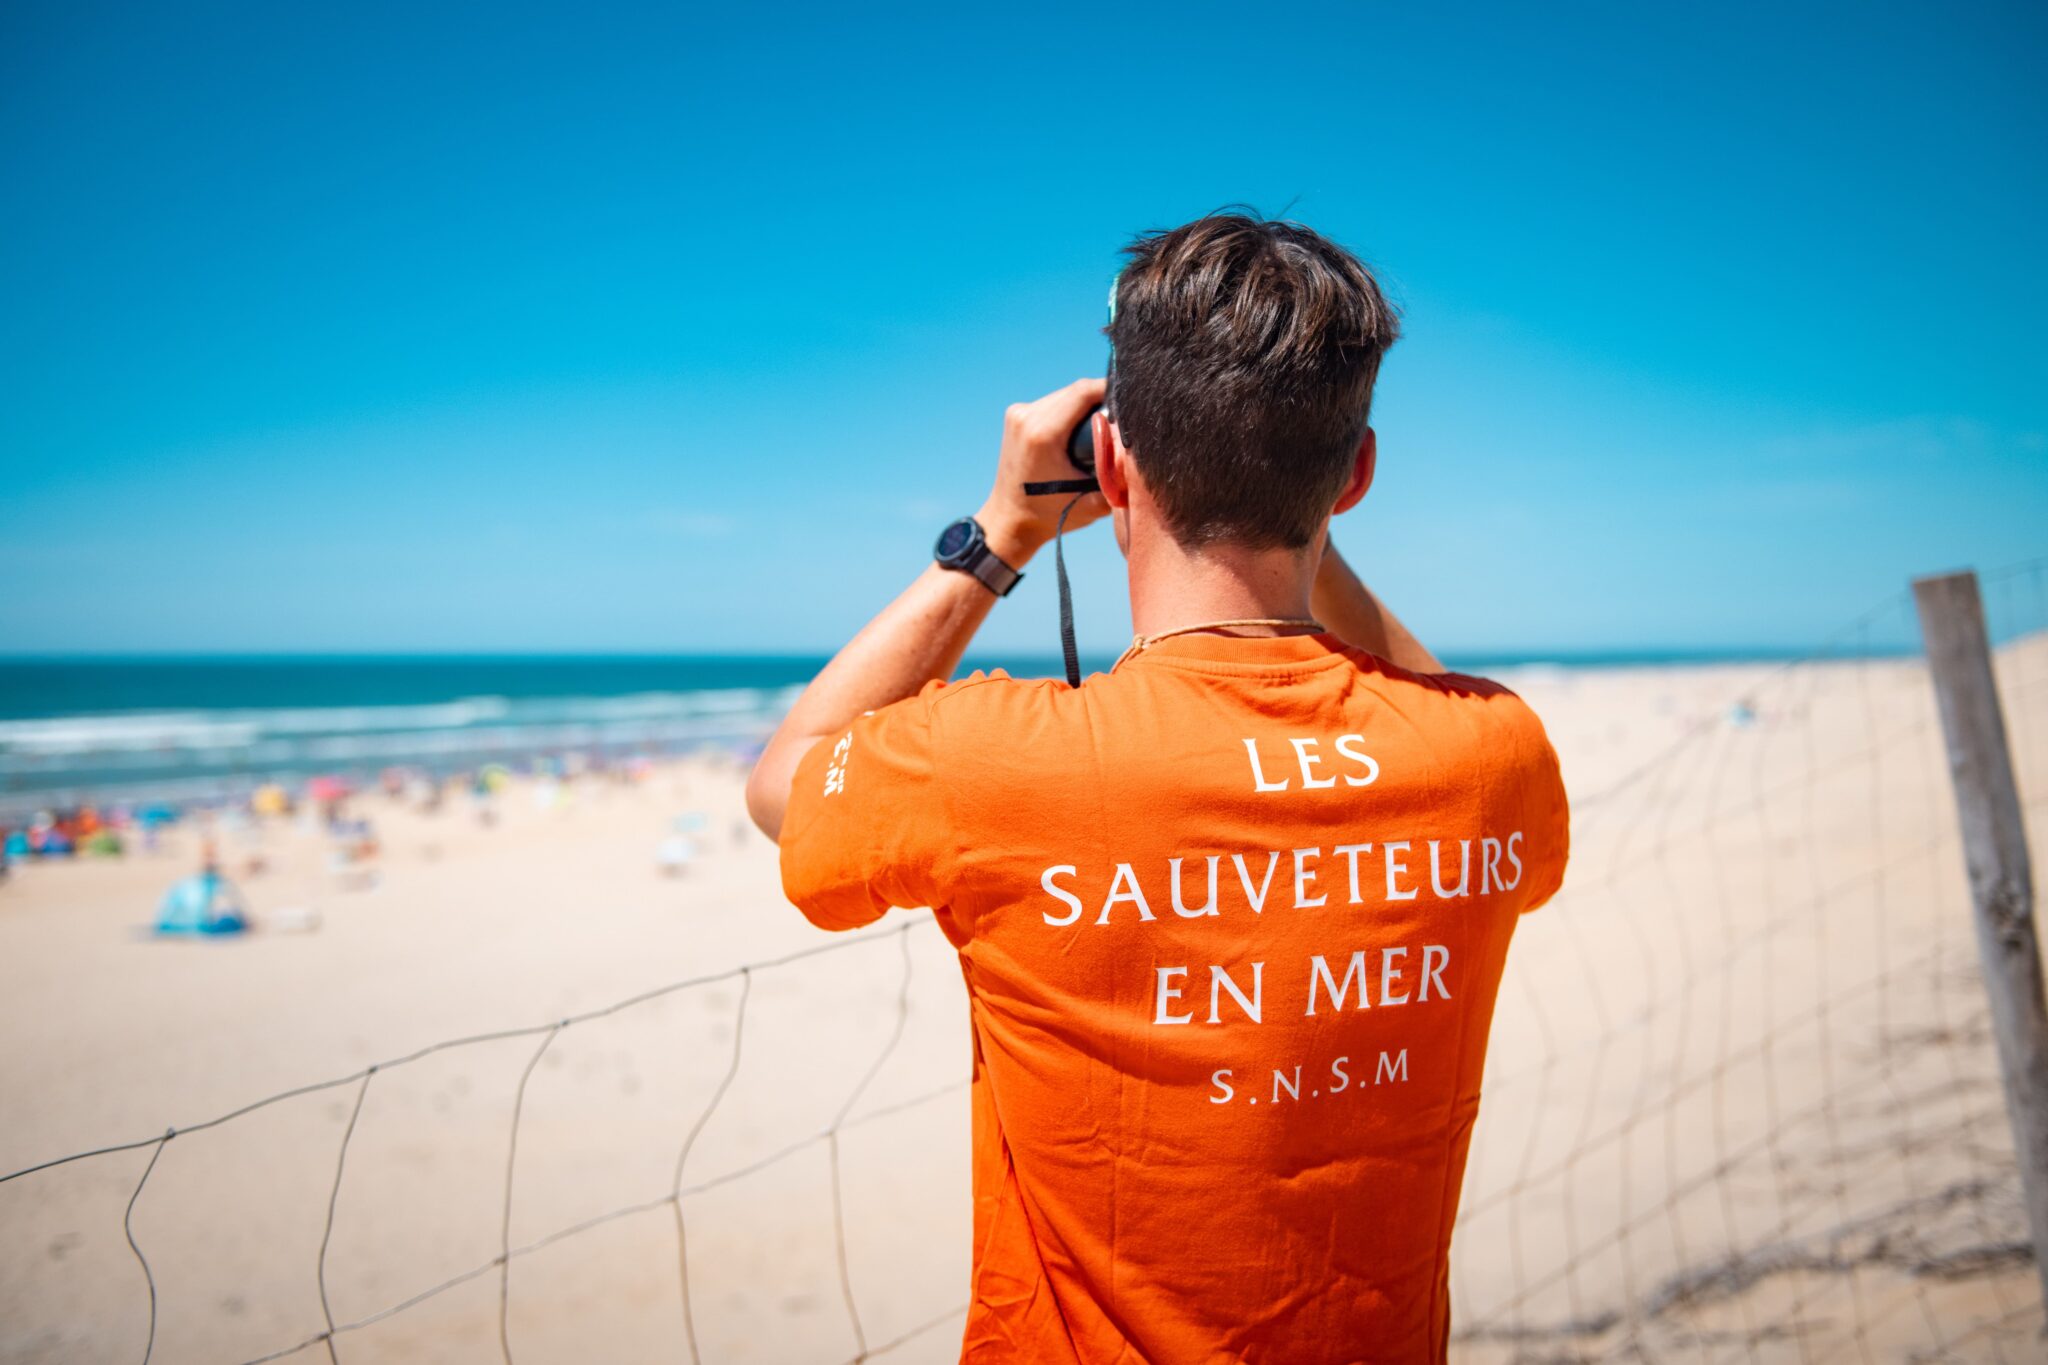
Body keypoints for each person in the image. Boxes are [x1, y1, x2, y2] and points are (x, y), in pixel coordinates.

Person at [747, 213, 1569, 1363]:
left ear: (1114, 467)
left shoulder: (988, 763)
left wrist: (1000, 532)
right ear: (1359, 475)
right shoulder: (1490, 757)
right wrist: (1296, 504)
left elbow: (784, 784)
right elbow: (1437, 710)